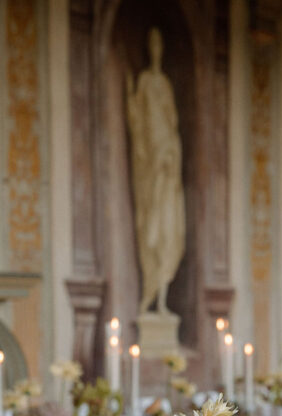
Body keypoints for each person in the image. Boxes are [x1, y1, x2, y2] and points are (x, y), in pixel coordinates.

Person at [126, 28, 185, 315]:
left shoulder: (165, 85)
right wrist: (128, 95)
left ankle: (161, 299)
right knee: (151, 231)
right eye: (152, 44)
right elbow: (137, 121)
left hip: (167, 161)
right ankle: (150, 296)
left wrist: (170, 156)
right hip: (150, 167)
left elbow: (172, 123)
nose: (156, 49)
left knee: (167, 231)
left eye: (159, 43)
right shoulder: (144, 81)